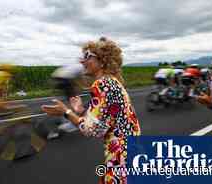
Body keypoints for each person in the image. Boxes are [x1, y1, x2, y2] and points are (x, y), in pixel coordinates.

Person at [41, 37, 141, 183]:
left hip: (120, 157)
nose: (82, 61)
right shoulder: (112, 81)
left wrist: (66, 112)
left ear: (102, 60)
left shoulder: (101, 85)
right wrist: (81, 111)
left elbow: (92, 130)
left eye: (88, 56)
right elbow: (105, 120)